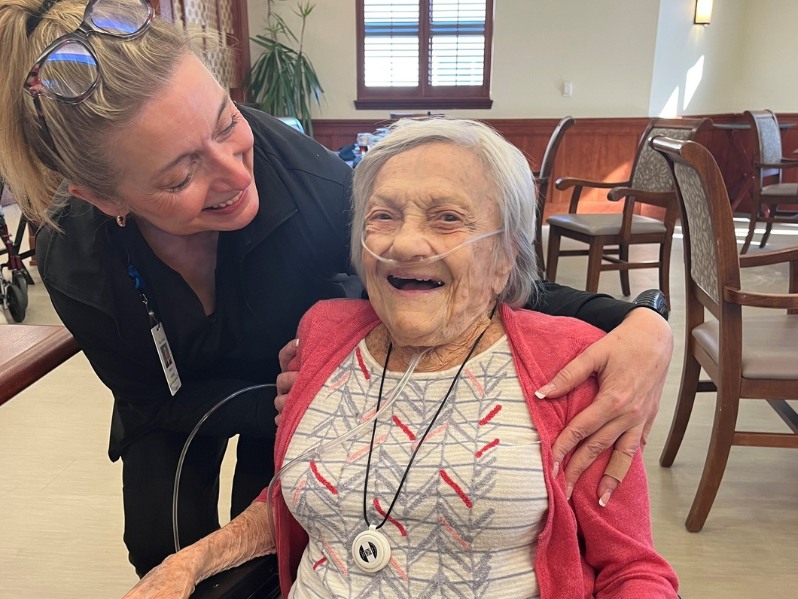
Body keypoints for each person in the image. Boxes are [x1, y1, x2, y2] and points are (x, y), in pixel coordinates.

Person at [0, 0, 672, 581]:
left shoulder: (315, 192)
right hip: (168, 403)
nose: (235, 172)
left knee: (273, 546)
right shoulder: (76, 262)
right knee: (158, 545)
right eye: (181, 177)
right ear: (101, 197)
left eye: (227, 121)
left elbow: (474, 273)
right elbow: (155, 400)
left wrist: (636, 323)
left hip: (290, 396)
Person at [124, 117, 678, 598]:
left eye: (447, 218)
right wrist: (187, 563)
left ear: (505, 258)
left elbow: (632, 568)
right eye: (383, 217)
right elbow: (301, 495)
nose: (405, 244)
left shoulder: (571, 364)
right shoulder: (324, 333)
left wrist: (648, 322)